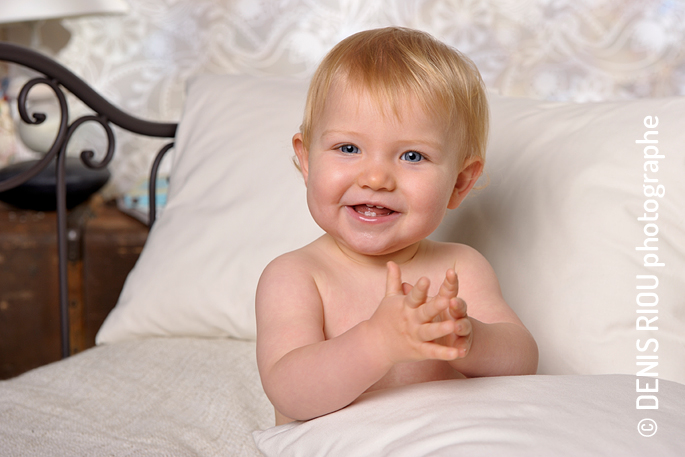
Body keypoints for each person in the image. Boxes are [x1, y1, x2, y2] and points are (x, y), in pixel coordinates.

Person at [255, 27, 538, 426]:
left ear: (460, 182)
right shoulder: (295, 276)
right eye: (348, 148)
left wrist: (471, 339)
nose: (376, 178)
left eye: (412, 155)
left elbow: (523, 360)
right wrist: (376, 343)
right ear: (306, 160)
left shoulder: (461, 267)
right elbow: (290, 393)